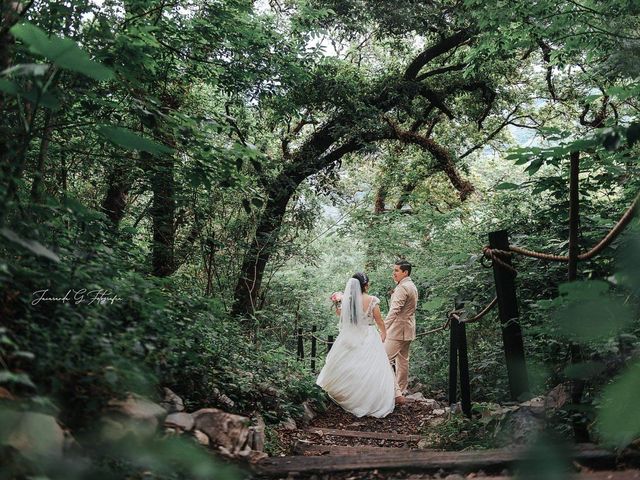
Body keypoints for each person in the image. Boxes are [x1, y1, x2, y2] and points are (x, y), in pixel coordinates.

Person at [316, 272, 396, 418]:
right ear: (366, 285)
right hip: (369, 334)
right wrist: (383, 332)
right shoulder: (372, 300)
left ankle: (348, 394)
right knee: (371, 367)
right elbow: (379, 320)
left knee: (351, 364)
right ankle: (370, 399)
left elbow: (341, 315)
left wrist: (338, 302)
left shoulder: (350, 300)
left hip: (352, 335)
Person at [384, 260, 418, 405]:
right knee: (403, 361)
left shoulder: (403, 288)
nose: (394, 273)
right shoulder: (412, 286)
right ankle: (401, 390)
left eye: (397, 270)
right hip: (408, 329)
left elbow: (394, 311)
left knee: (383, 358)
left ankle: (396, 392)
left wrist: (383, 328)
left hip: (397, 330)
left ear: (405, 272)